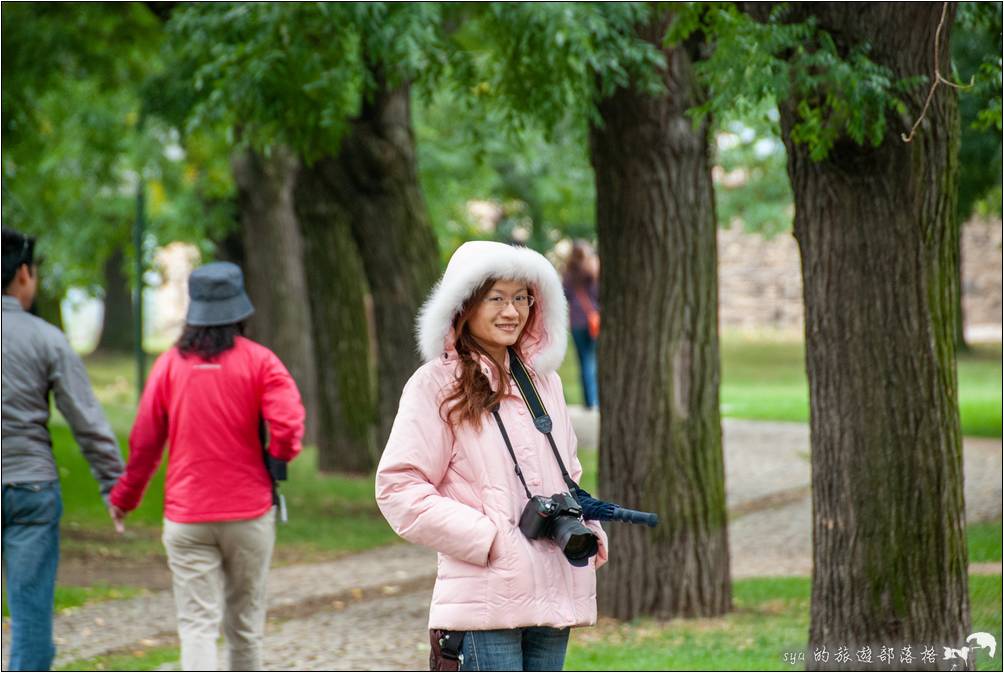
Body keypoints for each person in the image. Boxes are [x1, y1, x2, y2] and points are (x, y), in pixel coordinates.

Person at [376, 241, 608, 672]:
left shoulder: (545, 383)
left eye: (521, 298)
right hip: (485, 597)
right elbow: (398, 488)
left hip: (554, 589)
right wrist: (488, 538)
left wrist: (587, 522)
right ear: (464, 304)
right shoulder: (435, 385)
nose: (512, 312)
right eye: (496, 298)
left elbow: (567, 473)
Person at [108, 261, 305, 671]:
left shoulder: (168, 366)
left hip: (187, 516)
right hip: (248, 513)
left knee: (197, 624)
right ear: (240, 310)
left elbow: (144, 442)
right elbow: (287, 426)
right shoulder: (261, 361)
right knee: (245, 626)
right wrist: (278, 458)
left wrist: (125, 498)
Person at [1, 228, 125, 671]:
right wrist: (115, 486)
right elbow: (87, 421)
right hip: (31, 489)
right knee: (31, 617)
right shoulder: (47, 339)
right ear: (23, 274)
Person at [562, 240, 600, 410]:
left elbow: (566, 296)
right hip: (592, 322)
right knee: (591, 360)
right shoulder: (591, 272)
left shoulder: (568, 274)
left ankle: (588, 400)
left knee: (583, 360)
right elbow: (597, 295)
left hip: (576, 322)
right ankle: (594, 401)